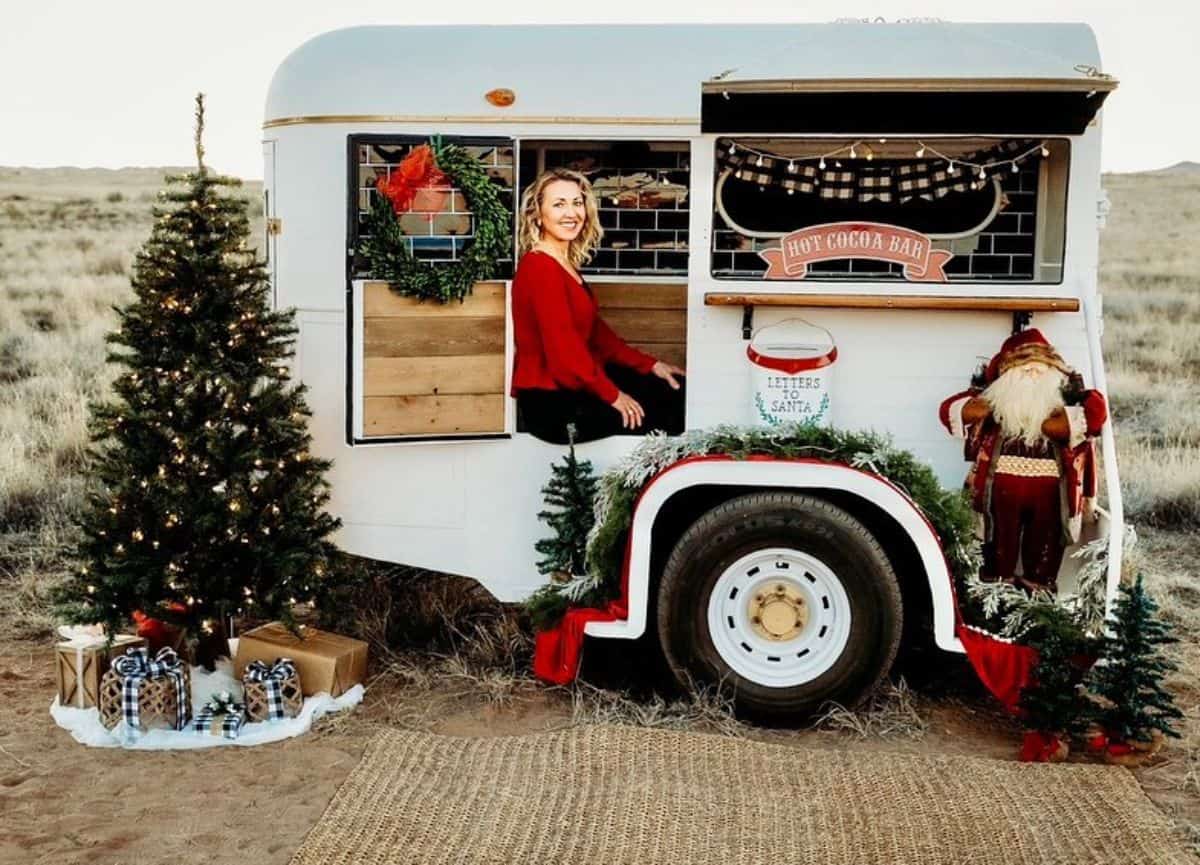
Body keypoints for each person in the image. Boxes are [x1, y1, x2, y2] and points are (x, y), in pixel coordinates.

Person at [510, 167, 686, 445]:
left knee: (671, 389)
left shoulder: (563, 265)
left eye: (577, 203)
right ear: (537, 214)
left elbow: (598, 336)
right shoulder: (539, 268)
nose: (571, 213)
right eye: (559, 204)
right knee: (663, 412)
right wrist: (614, 396)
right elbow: (565, 354)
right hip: (552, 404)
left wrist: (650, 365)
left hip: (572, 387)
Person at [938, 329, 1107, 594]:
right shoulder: (997, 405)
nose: (1033, 375)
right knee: (996, 546)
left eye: (1040, 369)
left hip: (1052, 497)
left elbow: (1095, 415)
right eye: (1024, 369)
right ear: (1006, 378)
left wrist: (1065, 416)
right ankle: (994, 596)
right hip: (998, 493)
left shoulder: (1067, 403)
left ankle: (1037, 604)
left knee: (1045, 549)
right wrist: (987, 403)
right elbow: (950, 410)